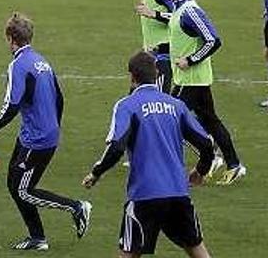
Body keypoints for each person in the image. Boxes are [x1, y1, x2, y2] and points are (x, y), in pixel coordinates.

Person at [0, 13, 92, 251]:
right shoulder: (41, 61)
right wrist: (53, 125)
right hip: (36, 134)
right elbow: (59, 97)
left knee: (22, 190)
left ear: (10, 39)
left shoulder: (18, 65)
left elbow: (10, 106)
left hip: (37, 140)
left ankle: (76, 207)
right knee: (14, 184)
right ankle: (37, 238)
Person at [82, 51, 215, 258]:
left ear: (132, 77)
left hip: (145, 194)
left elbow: (117, 146)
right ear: (156, 75)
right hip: (178, 193)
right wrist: (200, 171)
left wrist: (96, 172)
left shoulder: (127, 106)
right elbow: (206, 145)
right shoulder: (176, 106)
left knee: (129, 253)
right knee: (197, 250)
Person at [163, 0, 245, 185]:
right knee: (211, 121)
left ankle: (203, 162)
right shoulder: (179, 8)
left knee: (169, 119)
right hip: (191, 79)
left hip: (191, 80)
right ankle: (233, 164)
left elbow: (213, 40)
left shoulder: (190, 11)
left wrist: (190, 60)